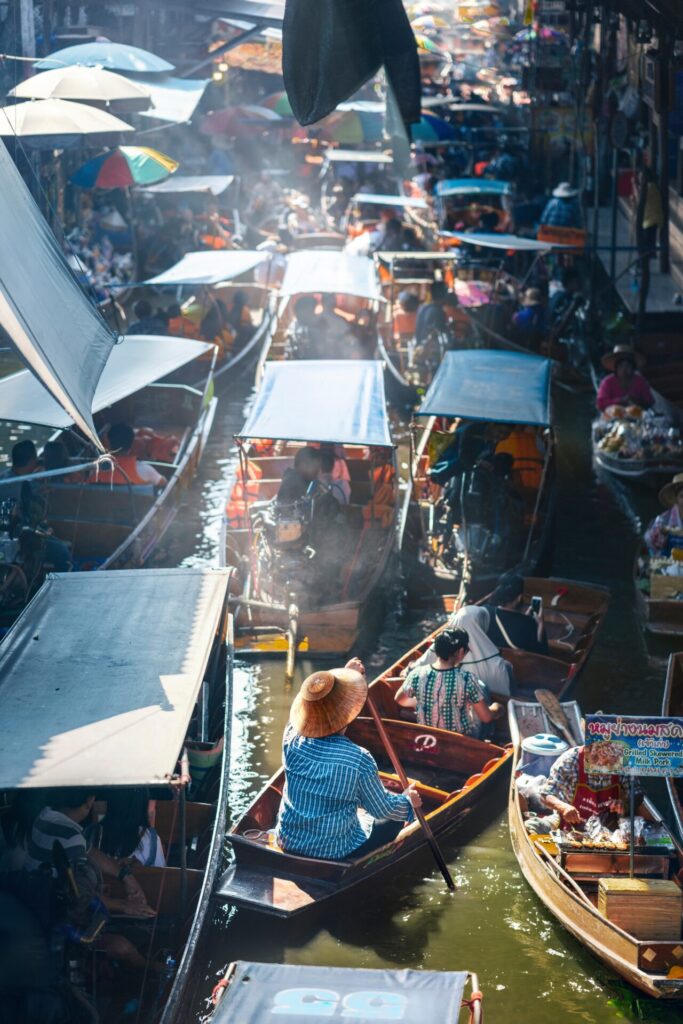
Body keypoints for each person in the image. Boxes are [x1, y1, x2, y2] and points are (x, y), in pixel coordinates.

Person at [276, 659, 420, 859]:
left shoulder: (291, 737)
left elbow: (313, 697)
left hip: (288, 839)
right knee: (395, 817)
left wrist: (343, 675)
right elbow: (382, 809)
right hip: (333, 851)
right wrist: (408, 801)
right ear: (347, 713)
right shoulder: (358, 758)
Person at [23, 789, 158, 970]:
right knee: (123, 948)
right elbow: (81, 897)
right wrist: (125, 905)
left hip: (35, 907)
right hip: (56, 922)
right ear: (90, 801)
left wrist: (125, 876)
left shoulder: (46, 816)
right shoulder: (71, 836)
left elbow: (89, 851)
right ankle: (152, 969)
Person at [396, 627, 504, 737]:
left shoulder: (416, 673)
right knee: (482, 687)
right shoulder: (467, 679)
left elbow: (400, 699)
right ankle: (490, 736)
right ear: (461, 651)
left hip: (427, 736)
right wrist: (496, 709)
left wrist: (427, 702)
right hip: (459, 740)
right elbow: (486, 718)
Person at [412, 605, 516, 697]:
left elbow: (419, 666)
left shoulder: (441, 648)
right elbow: (506, 698)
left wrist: (410, 668)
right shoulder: (499, 665)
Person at [541, 745, 641, 828]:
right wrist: (564, 808)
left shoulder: (621, 762)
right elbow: (545, 795)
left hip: (607, 832)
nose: (602, 763)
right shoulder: (570, 760)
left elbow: (637, 794)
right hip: (570, 828)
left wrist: (625, 805)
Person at [483, 573, 548, 655]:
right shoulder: (529, 624)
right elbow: (541, 657)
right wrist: (540, 625)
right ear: (519, 597)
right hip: (515, 667)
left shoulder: (485, 611)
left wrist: (524, 619)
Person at [97, 423, 165, 488]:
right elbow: (164, 484)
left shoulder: (95, 469)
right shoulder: (145, 469)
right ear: (132, 445)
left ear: (108, 443)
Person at [596, 345, 654, 413]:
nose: (624, 369)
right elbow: (600, 404)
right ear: (616, 368)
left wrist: (637, 401)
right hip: (614, 418)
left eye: (628, 366)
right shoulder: (607, 382)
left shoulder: (640, 381)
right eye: (621, 366)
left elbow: (650, 401)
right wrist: (620, 401)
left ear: (633, 368)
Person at [645, 473, 683, 557]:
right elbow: (651, 541)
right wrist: (661, 534)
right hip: (668, 562)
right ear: (676, 499)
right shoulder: (664, 519)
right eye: (682, 497)